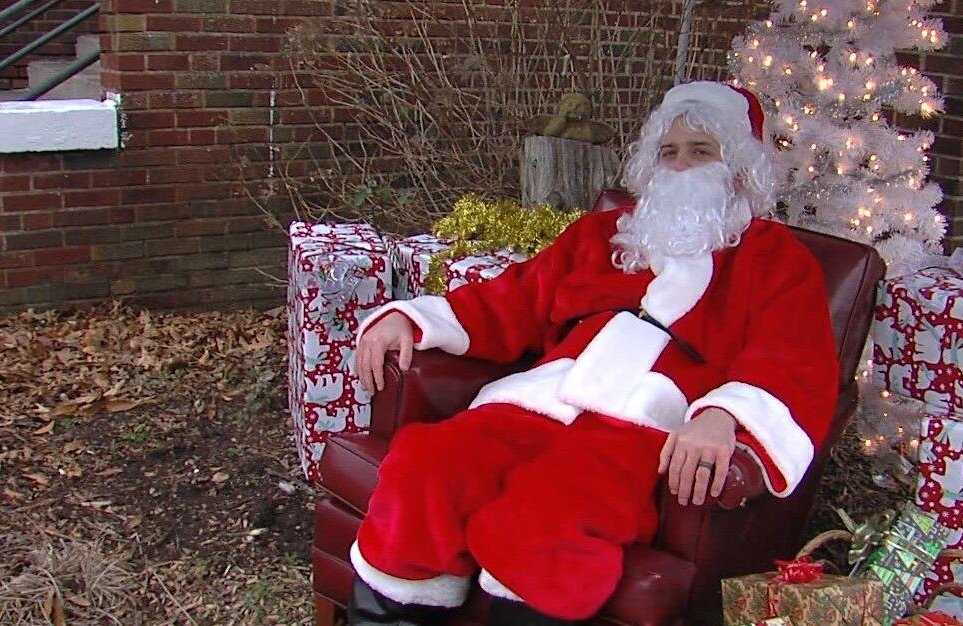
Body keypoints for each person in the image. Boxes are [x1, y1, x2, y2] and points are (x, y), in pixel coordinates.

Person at [349, 81, 839, 626]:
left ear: (740, 170)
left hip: (640, 428)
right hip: (539, 400)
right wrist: (413, 319)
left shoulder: (774, 260)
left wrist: (724, 416)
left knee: (549, 513)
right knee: (427, 466)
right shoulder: (603, 234)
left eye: (701, 152)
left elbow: (792, 359)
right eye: (668, 152)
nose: (680, 167)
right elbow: (513, 298)